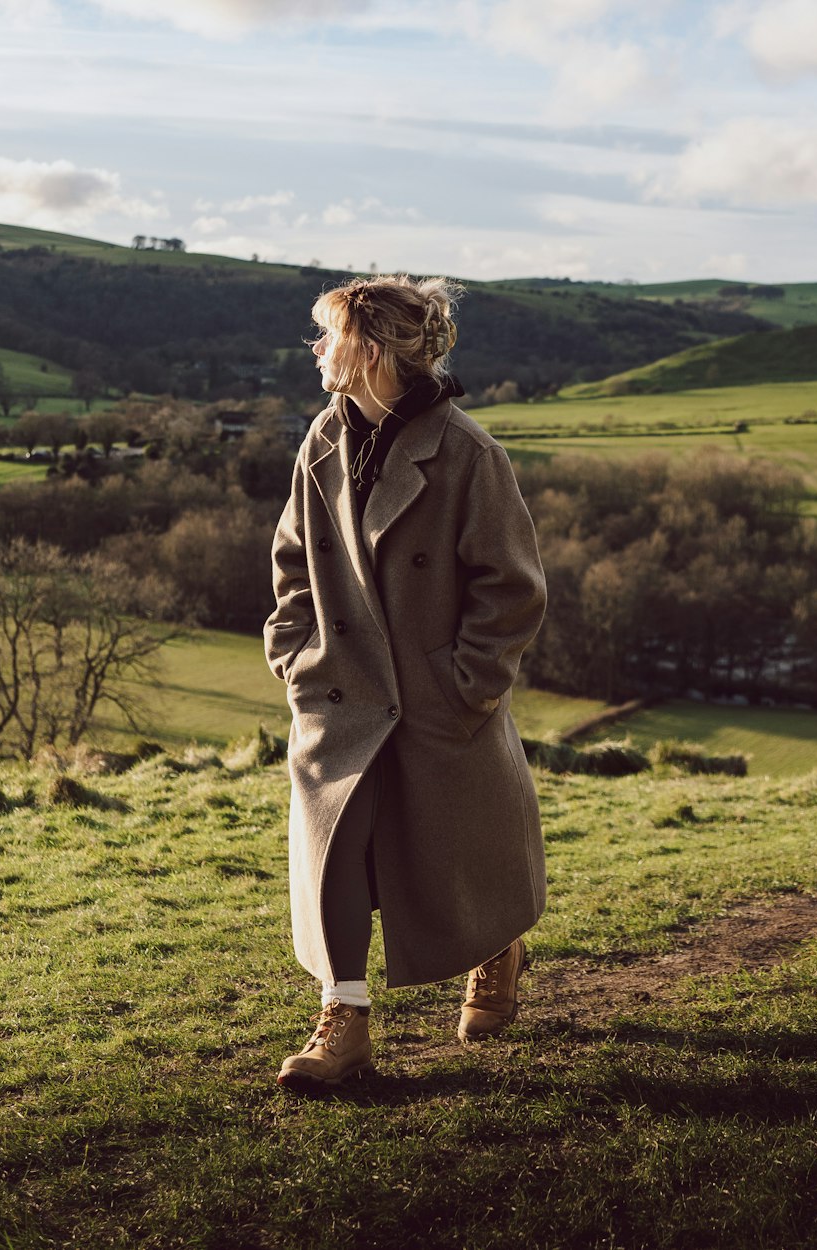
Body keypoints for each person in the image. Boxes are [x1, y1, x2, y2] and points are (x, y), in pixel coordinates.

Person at [263, 274, 547, 1094]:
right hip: (339, 693)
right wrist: (296, 655)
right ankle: (343, 1022)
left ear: (372, 351)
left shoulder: (469, 455)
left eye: (328, 336)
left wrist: (464, 687)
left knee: (466, 851)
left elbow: (512, 589)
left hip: (436, 700)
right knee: (335, 855)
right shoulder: (321, 439)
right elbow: (291, 564)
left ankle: (498, 950)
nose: (315, 350)